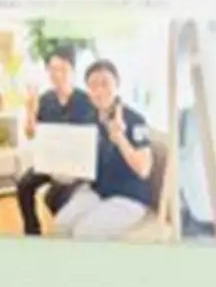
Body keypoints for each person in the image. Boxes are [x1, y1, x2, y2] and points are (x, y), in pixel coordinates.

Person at [54, 55, 163, 240]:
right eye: (93, 85)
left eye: (105, 84)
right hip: (99, 191)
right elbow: (85, 163)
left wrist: (120, 138)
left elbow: (144, 169)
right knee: (61, 224)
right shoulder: (89, 119)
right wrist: (66, 172)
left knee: (83, 233)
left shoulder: (136, 121)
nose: (99, 91)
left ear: (117, 85)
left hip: (129, 197)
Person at [14, 44, 99, 234]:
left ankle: (63, 232)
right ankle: (32, 231)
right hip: (50, 160)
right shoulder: (45, 99)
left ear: (73, 70)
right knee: (23, 185)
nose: (57, 74)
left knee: (57, 197)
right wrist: (30, 109)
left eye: (62, 69)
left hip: (76, 167)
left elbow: (91, 142)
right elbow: (30, 134)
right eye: (52, 69)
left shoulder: (86, 101)